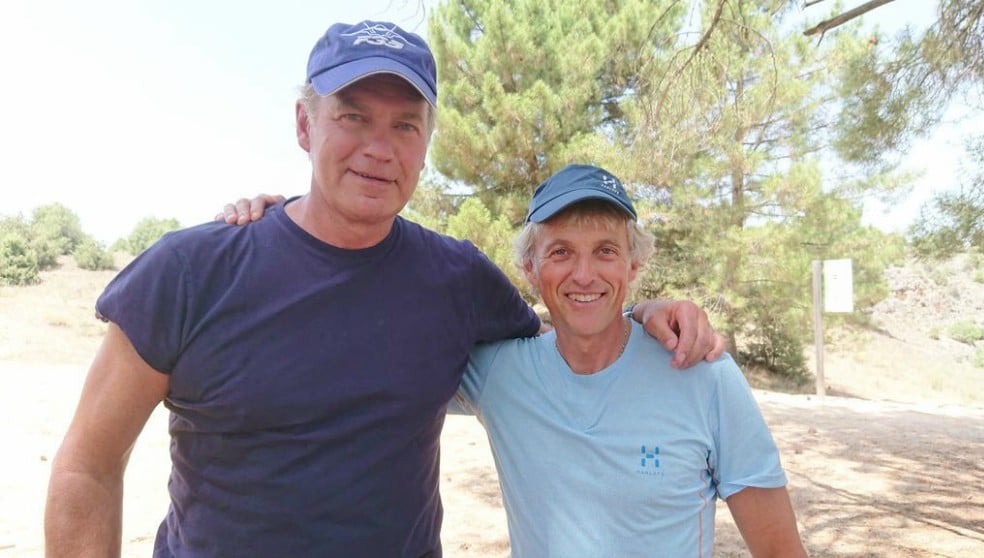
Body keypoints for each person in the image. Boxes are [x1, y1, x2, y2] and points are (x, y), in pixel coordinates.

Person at [44, 20, 722, 557]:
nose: (380, 147)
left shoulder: (457, 280)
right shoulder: (190, 271)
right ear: (306, 125)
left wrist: (641, 311)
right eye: (354, 117)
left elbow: (564, 352)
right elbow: (88, 466)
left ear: (427, 141)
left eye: (405, 124)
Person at [451, 164, 808, 556]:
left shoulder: (703, 370)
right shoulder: (497, 373)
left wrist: (642, 310)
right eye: (561, 251)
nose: (584, 274)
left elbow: (780, 551)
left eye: (605, 251)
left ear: (632, 265)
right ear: (530, 269)